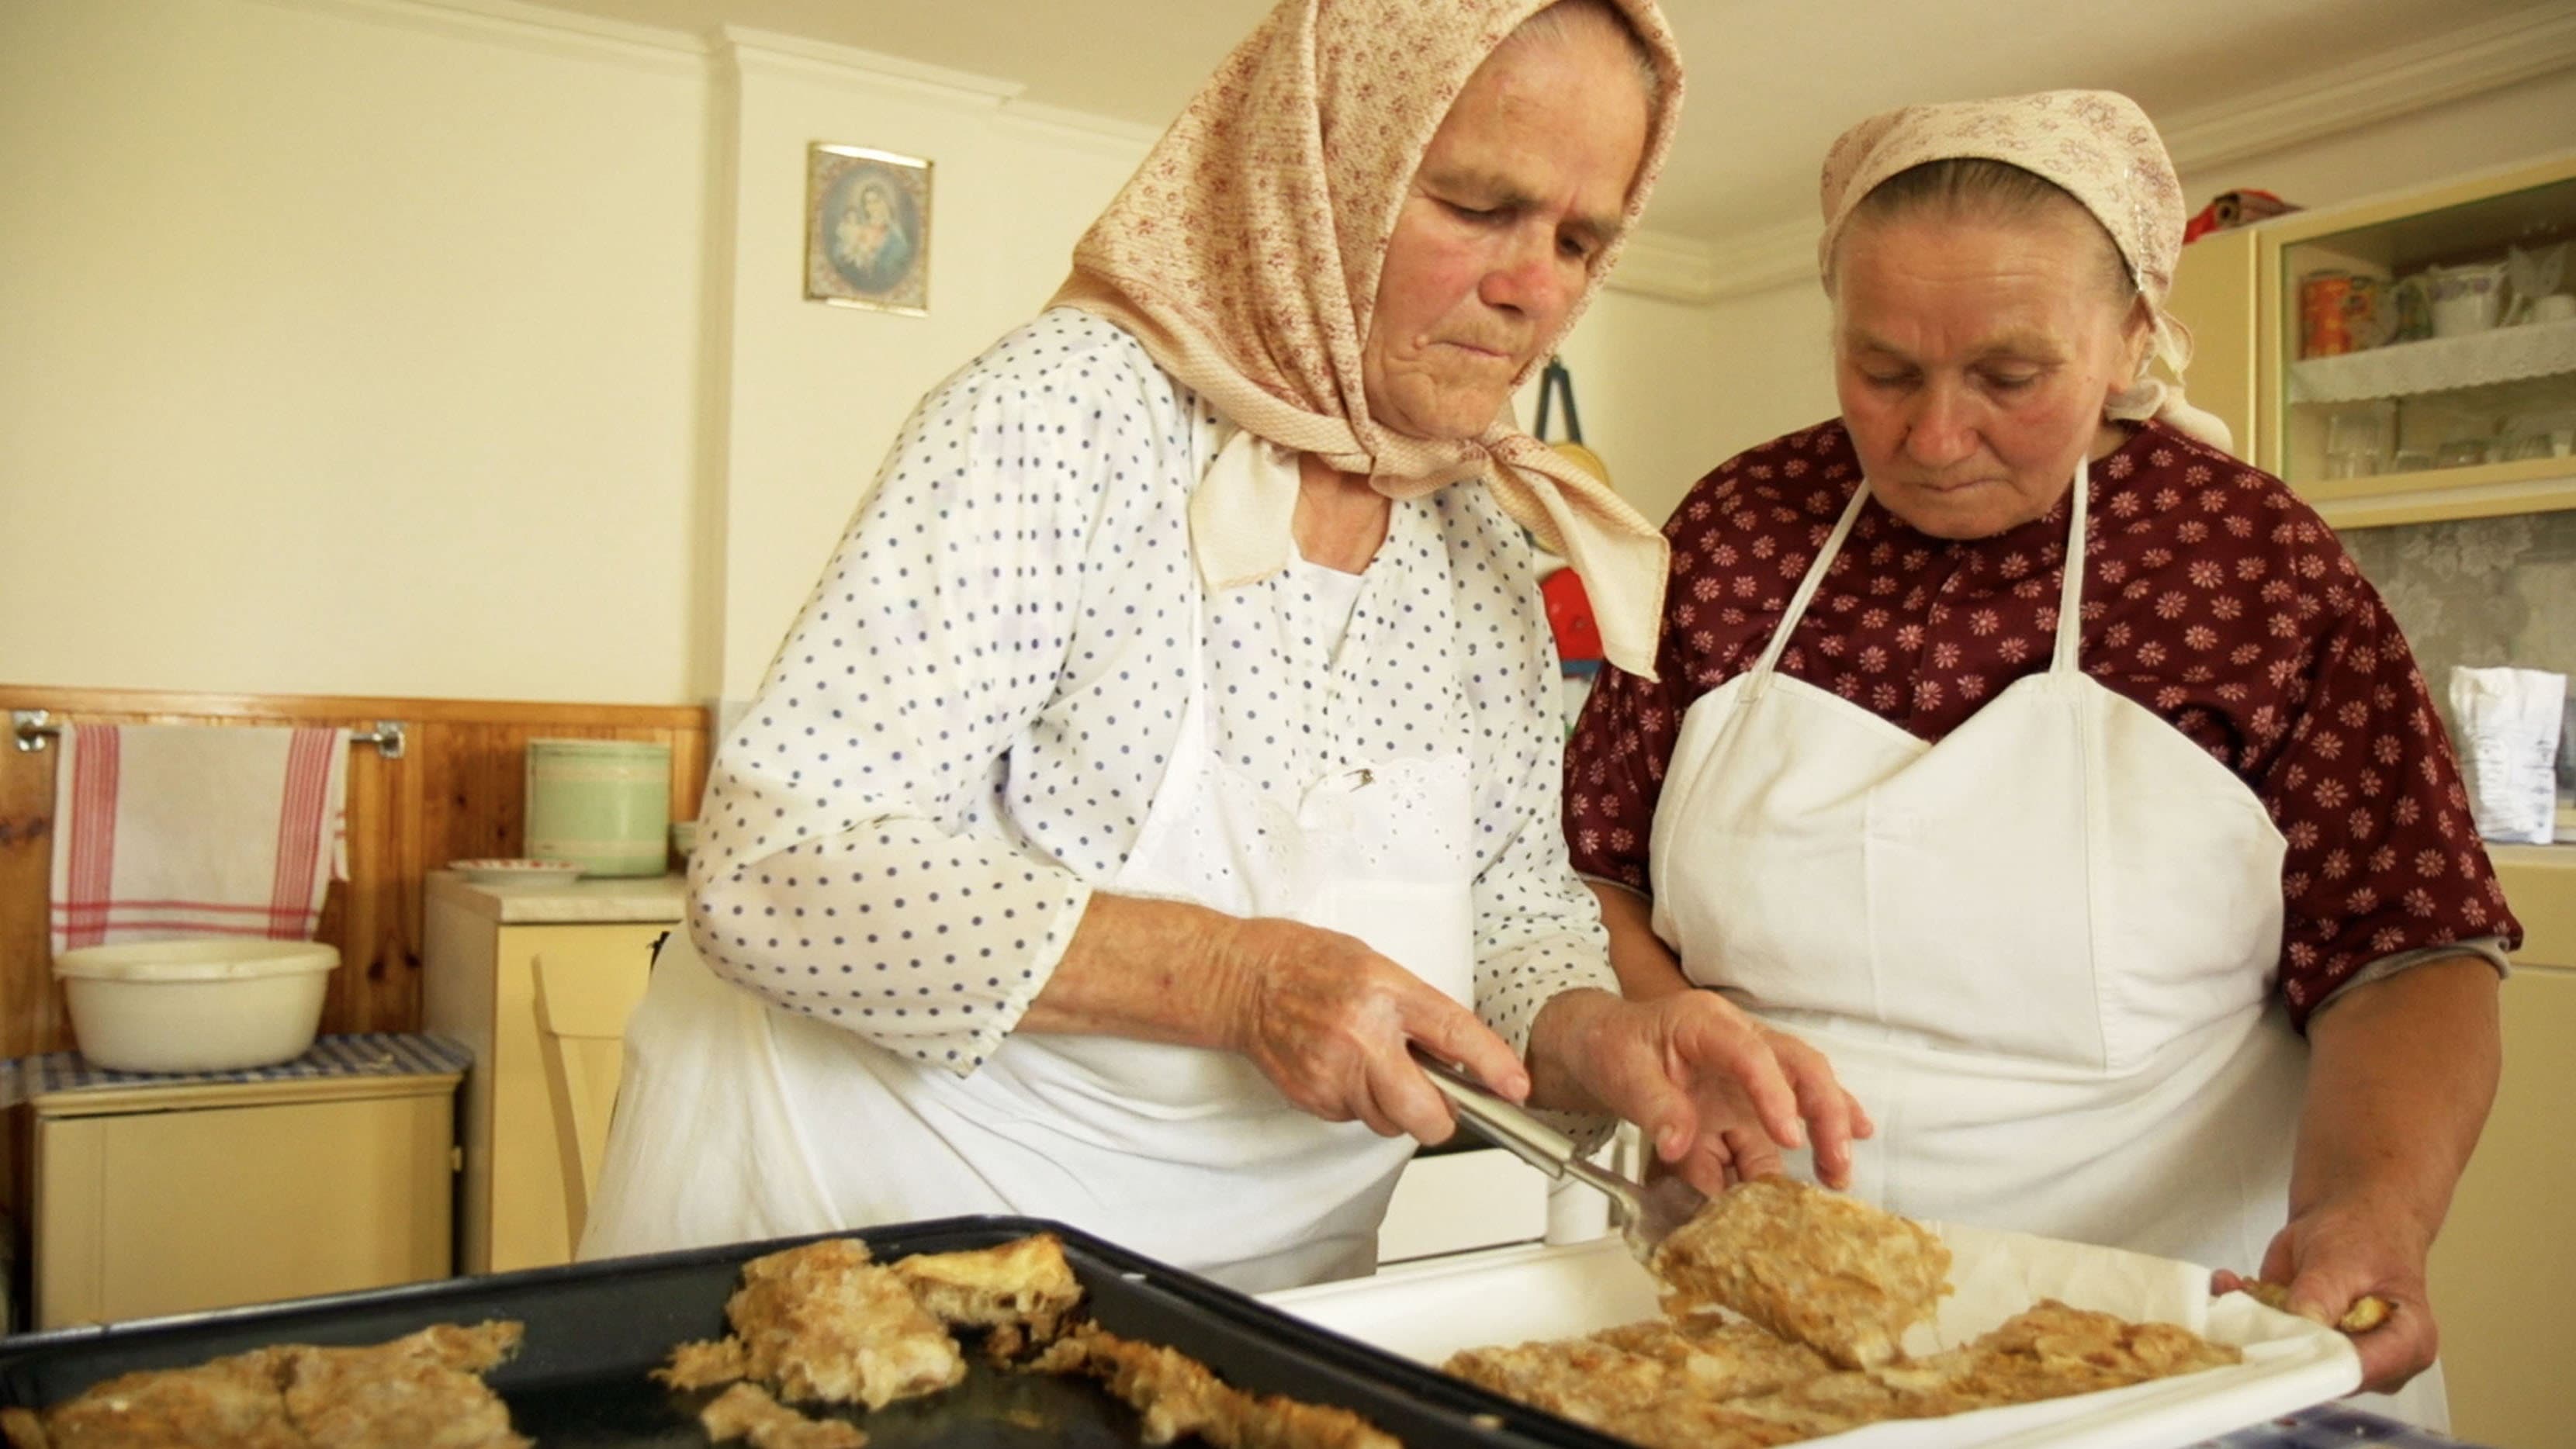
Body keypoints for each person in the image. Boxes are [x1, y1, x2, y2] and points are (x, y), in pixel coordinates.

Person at [583, 0, 1863, 1294]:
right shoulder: (1068, 416)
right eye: (1479, 206)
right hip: (893, 1238)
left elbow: (1511, 914)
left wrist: (1608, 1040)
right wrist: (1233, 980)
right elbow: (777, 876)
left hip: (1278, 1294)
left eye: (1580, 239)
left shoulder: (1477, 539)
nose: (1535, 287)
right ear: (1320, 177)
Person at [1562, 91, 2516, 1421]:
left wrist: (2372, 1207)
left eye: (2010, 376)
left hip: (2160, 1341)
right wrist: (1666, 1039)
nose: (1934, 436)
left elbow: (2407, 947)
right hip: (1759, 1314)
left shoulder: (2247, 565)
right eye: (1882, 370)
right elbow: (1588, 870)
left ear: (2132, 339)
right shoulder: (1738, 530)